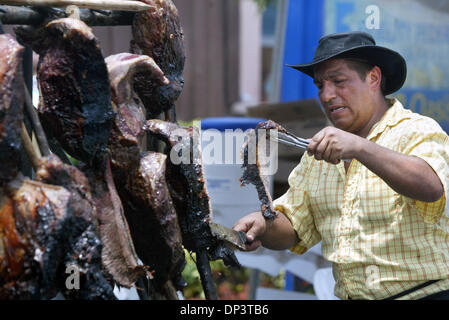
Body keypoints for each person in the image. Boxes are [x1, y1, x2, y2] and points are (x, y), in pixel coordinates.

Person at [233, 31, 449, 300]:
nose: (326, 94)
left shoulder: (416, 130)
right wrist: (263, 225)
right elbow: (294, 228)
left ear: (373, 78)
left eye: (338, 81)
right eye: (320, 85)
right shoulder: (318, 154)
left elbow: (431, 186)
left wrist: (359, 147)